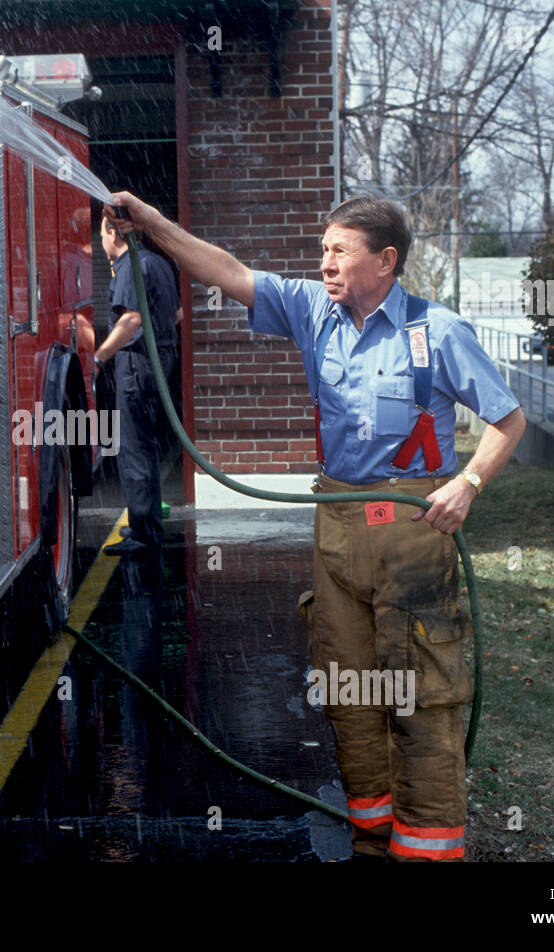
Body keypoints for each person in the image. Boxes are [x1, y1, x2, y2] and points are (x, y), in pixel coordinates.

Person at [104, 192, 526, 861]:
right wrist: (149, 223)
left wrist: (467, 483)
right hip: (336, 528)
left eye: (339, 250)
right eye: (322, 249)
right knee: (347, 688)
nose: (324, 262)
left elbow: (509, 421)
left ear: (385, 261)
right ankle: (372, 833)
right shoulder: (313, 312)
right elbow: (223, 269)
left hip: (410, 531)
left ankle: (430, 848)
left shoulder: (436, 332)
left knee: (421, 692)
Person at [95, 216, 179, 556]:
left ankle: (144, 533)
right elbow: (176, 314)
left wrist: (98, 358)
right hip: (158, 360)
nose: (100, 241)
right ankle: (146, 524)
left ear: (114, 233)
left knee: (134, 448)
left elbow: (131, 319)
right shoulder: (158, 262)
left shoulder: (130, 266)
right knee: (145, 445)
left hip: (138, 364)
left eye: (102, 233)